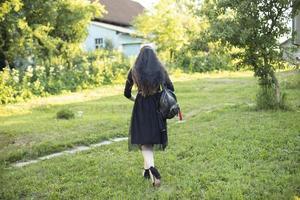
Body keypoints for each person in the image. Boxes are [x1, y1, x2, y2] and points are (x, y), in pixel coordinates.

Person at [124, 46, 174, 187]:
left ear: (139, 57)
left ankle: (150, 169)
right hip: (157, 107)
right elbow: (171, 88)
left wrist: (136, 98)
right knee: (150, 139)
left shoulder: (134, 70)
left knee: (144, 141)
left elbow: (126, 93)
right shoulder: (160, 69)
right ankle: (148, 170)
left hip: (141, 107)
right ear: (154, 56)